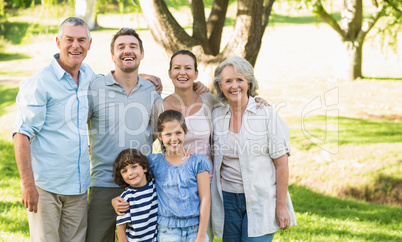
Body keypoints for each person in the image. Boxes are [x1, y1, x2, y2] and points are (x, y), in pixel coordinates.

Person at [87, 29, 208, 241]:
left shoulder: (152, 93)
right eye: (121, 47)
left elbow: (163, 135)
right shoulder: (95, 87)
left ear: (142, 54)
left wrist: (179, 153)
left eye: (133, 46)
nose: (127, 50)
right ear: (112, 55)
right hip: (104, 183)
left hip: (143, 184)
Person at [12, 17, 96, 241]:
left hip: (78, 188)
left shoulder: (89, 76)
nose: (75, 45)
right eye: (69, 39)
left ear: (90, 43)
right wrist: (28, 186)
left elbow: (113, 83)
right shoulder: (40, 82)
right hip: (46, 187)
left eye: (81, 40)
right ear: (58, 42)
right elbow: (21, 135)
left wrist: (141, 77)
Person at [211, 56, 297, 241]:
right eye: (228, 81)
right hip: (227, 200)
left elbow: (281, 164)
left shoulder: (266, 114)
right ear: (220, 85)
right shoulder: (216, 115)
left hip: (261, 199)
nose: (234, 86)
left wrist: (281, 206)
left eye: (240, 80)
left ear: (249, 83)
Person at [149, 109, 210, 241]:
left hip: (195, 229)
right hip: (167, 230)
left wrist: (200, 236)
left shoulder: (198, 161)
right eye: (168, 134)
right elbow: (137, 185)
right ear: (159, 136)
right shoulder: (153, 162)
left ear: (185, 133)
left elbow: (205, 199)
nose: (174, 138)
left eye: (178, 133)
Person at [112, 148, 158, 242]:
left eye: (134, 166)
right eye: (124, 171)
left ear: (144, 167)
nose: (130, 173)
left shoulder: (155, 186)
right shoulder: (126, 197)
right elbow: (120, 229)